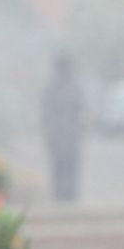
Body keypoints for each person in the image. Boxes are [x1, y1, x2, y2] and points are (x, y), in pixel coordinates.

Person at [39, 50, 86, 202]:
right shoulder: (51, 89)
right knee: (58, 168)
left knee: (71, 168)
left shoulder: (75, 88)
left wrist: (80, 130)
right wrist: (49, 134)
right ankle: (58, 197)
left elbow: (80, 112)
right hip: (58, 136)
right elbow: (46, 115)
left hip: (71, 136)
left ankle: (71, 197)